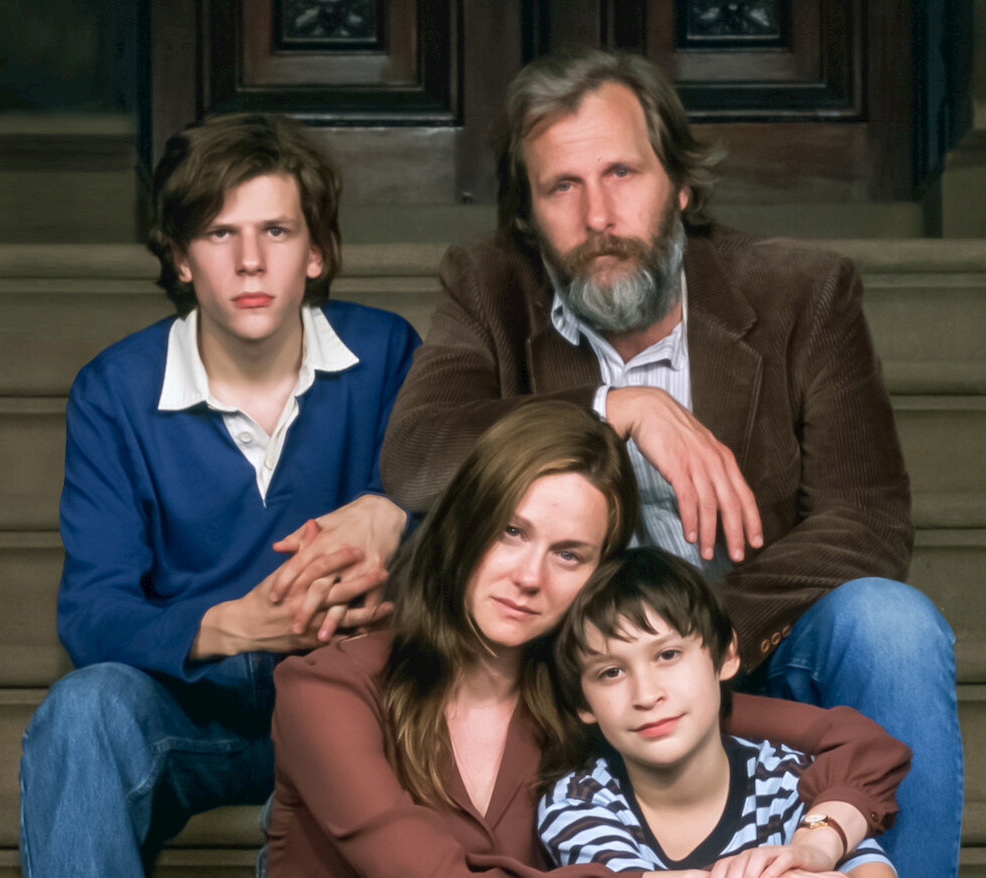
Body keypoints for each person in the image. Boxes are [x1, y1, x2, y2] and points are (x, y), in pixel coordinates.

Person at [375, 49, 959, 877]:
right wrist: (615, 408)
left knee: (892, 625)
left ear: (680, 184)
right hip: (586, 679)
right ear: (529, 214)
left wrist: (699, 639)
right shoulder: (488, 286)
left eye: (622, 173)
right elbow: (417, 456)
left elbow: (866, 520)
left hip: (753, 649)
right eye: (561, 187)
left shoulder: (803, 292)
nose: (598, 214)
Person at [16, 113, 421, 876]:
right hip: (189, 710)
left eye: (276, 231)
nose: (249, 262)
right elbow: (92, 612)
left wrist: (394, 511)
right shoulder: (114, 392)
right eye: (218, 234)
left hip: (349, 705)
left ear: (317, 252)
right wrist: (229, 626)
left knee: (380, 720)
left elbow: (465, 508)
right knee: (81, 710)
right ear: (179, 259)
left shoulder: (386, 354)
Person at [267, 401, 910, 877]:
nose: (529, 577)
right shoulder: (327, 689)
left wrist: (819, 840)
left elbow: (857, 744)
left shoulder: (597, 693)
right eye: (511, 532)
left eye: (569, 554)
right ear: (464, 522)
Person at [541, 548, 900, 877]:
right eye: (611, 672)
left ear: (726, 655)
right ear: (582, 702)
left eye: (668, 655)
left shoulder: (790, 778)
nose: (646, 695)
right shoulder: (579, 801)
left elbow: (873, 873)